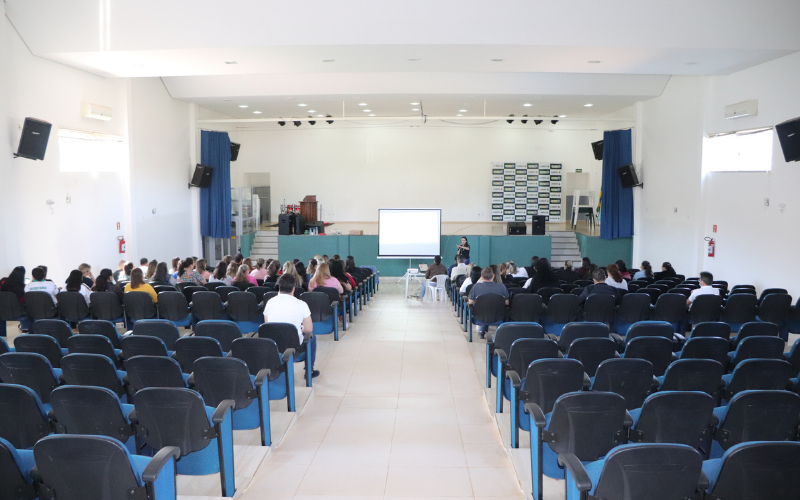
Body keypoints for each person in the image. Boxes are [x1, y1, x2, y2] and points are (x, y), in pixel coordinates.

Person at [263, 274, 318, 379]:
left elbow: (267, 325)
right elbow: (308, 329)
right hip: (294, 348)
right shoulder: (302, 304)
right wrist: (298, 328)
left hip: (273, 346)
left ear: (279, 287)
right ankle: (309, 370)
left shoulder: (269, 302)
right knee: (312, 336)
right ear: (293, 288)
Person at [468, 267, 510, 339]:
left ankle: (482, 331)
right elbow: (507, 303)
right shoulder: (501, 286)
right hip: (499, 317)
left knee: (484, 308)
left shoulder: (476, 287)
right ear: (493, 276)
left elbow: (470, 302)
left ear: (481, 277)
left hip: (479, 317)